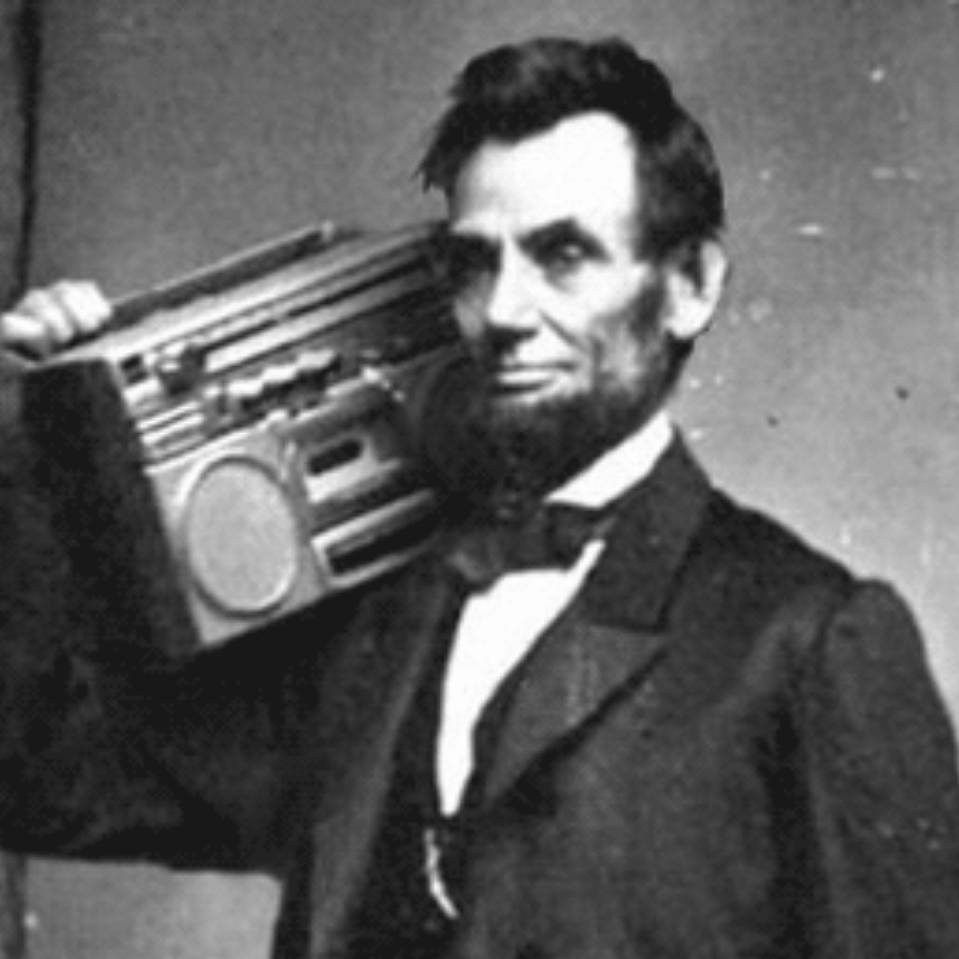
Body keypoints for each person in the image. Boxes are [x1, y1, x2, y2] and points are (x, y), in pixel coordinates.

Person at [2, 35, 959, 959]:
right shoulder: (370, 625)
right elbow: (42, 775)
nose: (501, 312)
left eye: (563, 254)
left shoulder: (808, 641)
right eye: (474, 262)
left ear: (690, 285)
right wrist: (17, 449)